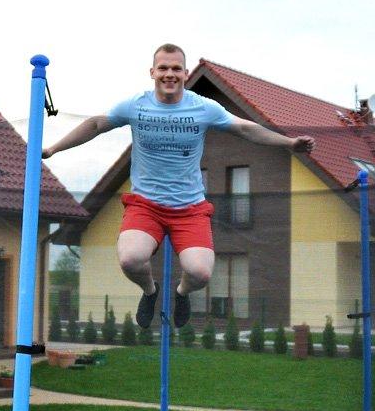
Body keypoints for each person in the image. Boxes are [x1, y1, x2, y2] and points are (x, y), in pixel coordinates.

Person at [42, 43, 315, 328]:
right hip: (146, 205)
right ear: (152, 72)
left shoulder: (203, 108)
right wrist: (53, 149)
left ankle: (181, 293)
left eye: (175, 69)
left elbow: (245, 128)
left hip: (189, 208)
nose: (169, 74)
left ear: (185, 73)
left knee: (200, 273)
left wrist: (290, 143)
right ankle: (150, 290)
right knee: (131, 260)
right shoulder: (136, 106)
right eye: (163, 68)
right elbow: (97, 125)